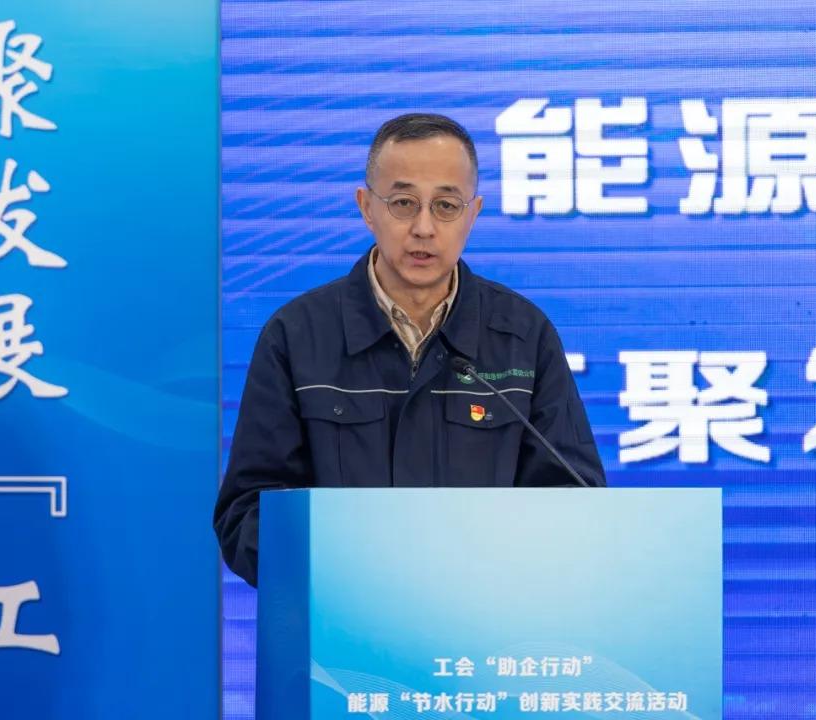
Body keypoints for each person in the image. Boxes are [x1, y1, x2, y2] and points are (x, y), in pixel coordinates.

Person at [215, 113, 605, 587]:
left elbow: (574, 500)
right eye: (403, 203)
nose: (424, 227)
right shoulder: (297, 336)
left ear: (473, 214)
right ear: (366, 208)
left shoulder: (523, 336)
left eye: (446, 206)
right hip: (344, 619)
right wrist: (352, 569)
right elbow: (246, 514)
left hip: (485, 616)